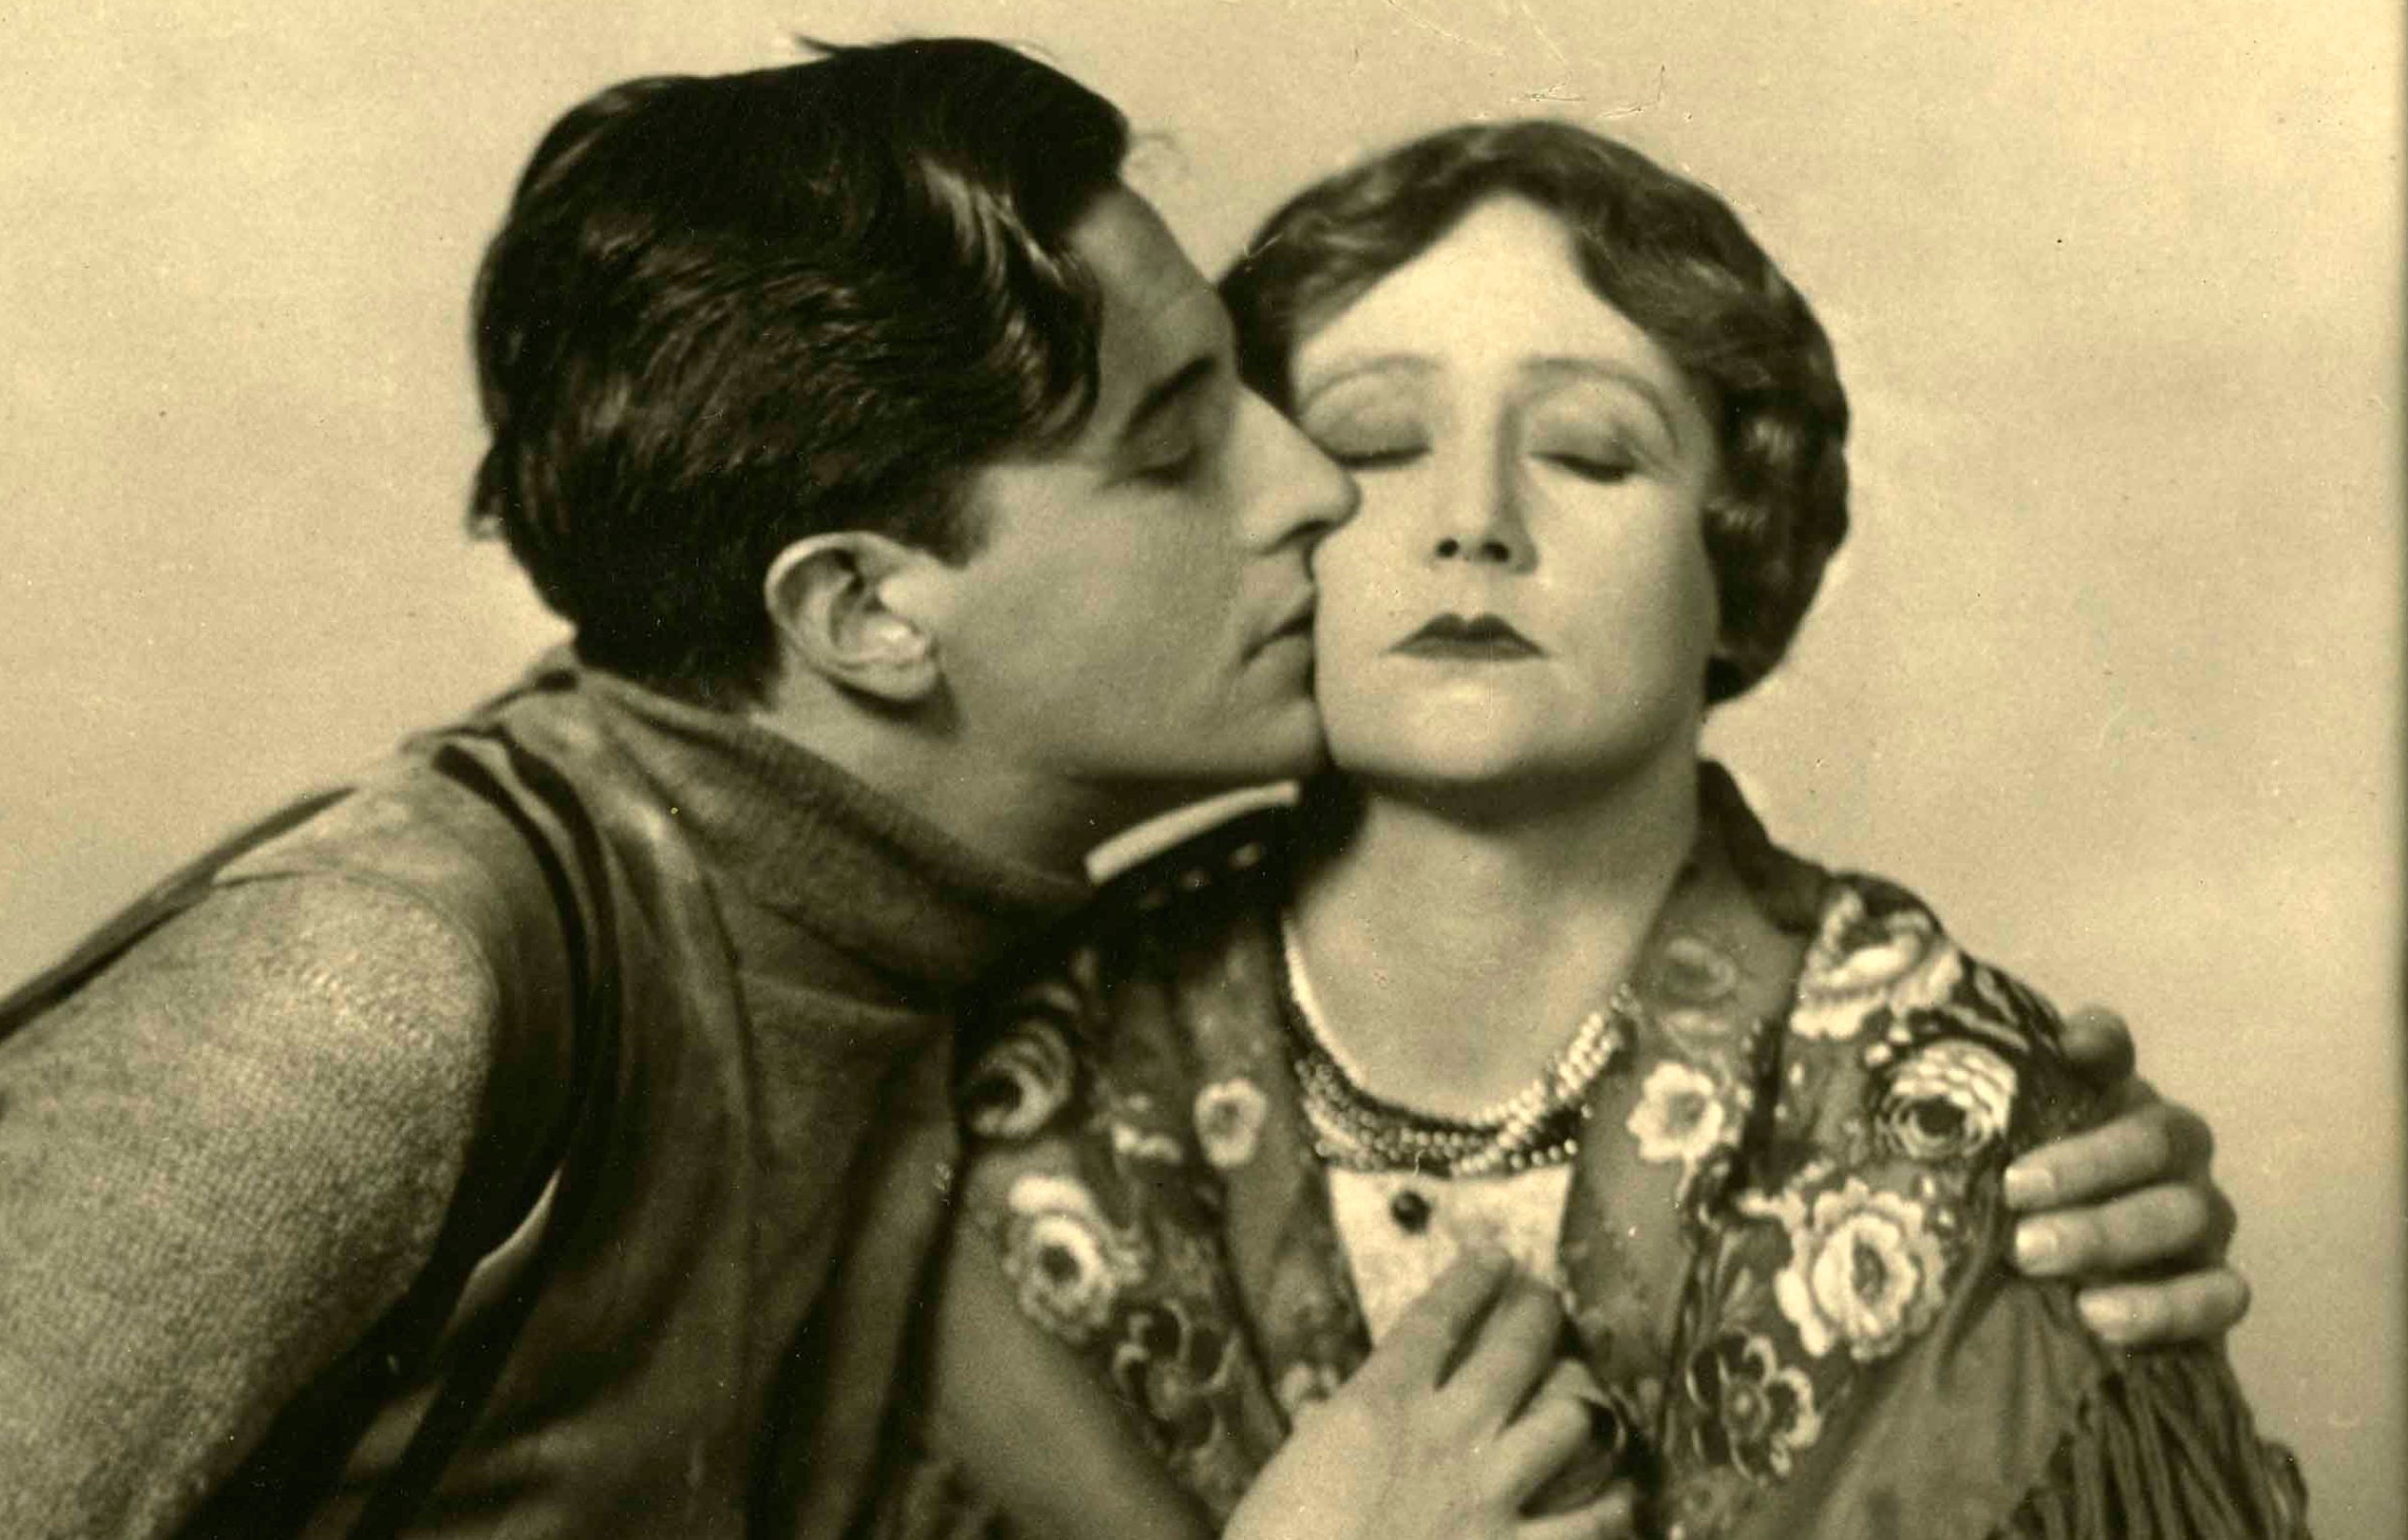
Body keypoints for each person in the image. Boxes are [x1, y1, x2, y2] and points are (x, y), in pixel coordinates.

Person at [0, 44, 2245, 1540]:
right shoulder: (380, 990)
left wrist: (2022, 1161)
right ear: (866, 615)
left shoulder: (1003, 984)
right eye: (1182, 441)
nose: (1319, 500)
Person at [920, 119, 2304, 1538]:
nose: (1474, 523)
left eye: (1589, 453)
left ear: (1741, 549)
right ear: (1257, 520)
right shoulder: (1013, 1091)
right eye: (1377, 443)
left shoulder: (1973, 1120)